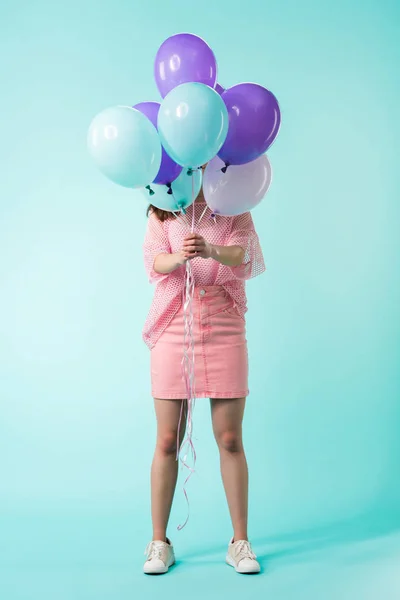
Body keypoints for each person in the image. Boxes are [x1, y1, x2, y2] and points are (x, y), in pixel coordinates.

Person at [142, 174, 265, 575]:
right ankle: (159, 543)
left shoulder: (233, 205)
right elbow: (152, 260)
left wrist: (209, 248)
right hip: (174, 322)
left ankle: (240, 542)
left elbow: (244, 256)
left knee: (230, 437)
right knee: (166, 439)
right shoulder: (163, 208)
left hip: (223, 320)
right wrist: (178, 258)